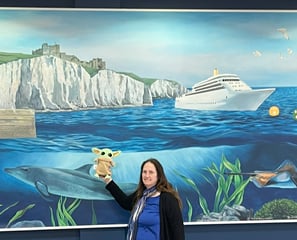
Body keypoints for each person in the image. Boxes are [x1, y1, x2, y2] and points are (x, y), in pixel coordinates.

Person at [103, 158, 185, 240]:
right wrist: (108, 180)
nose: (147, 175)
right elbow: (125, 203)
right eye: (144, 172)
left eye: (151, 172)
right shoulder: (141, 196)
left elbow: (177, 230)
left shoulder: (168, 199)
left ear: (159, 175)